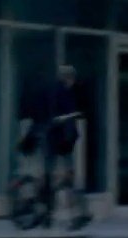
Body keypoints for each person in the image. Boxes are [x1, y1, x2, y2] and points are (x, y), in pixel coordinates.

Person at [26, 64, 91, 229]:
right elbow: (66, 119)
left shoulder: (51, 92)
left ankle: (47, 215)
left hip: (50, 141)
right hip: (60, 142)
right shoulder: (64, 93)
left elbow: (43, 116)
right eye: (71, 79)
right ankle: (77, 214)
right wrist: (71, 137)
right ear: (68, 78)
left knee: (49, 177)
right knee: (66, 178)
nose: (72, 82)